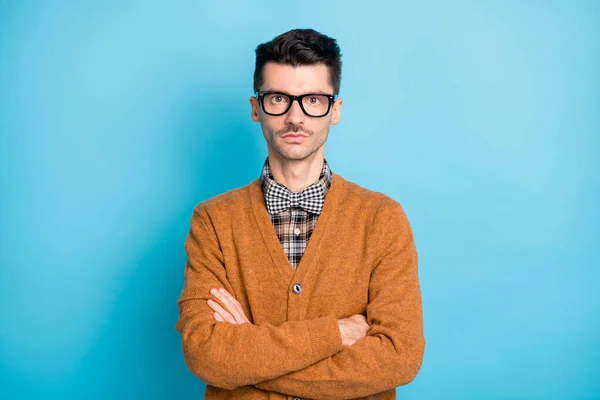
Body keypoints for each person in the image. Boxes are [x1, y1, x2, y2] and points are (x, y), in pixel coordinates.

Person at [175, 28, 425, 400]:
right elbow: (206, 355)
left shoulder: (382, 219)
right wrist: (337, 333)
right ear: (256, 107)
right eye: (278, 98)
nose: (295, 116)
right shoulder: (213, 220)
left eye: (312, 99)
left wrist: (249, 363)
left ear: (334, 110)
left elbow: (399, 358)